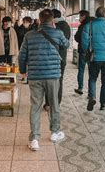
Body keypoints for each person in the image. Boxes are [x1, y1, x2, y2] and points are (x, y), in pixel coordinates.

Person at [19, 9, 70, 151]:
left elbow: (22, 56)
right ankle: (55, 133)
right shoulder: (58, 33)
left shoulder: (29, 35)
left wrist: (22, 71)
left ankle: (34, 139)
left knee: (35, 106)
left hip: (35, 76)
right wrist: (55, 30)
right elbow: (66, 45)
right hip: (53, 76)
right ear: (52, 20)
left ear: (40, 20)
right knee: (54, 104)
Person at [82, 6, 105, 111]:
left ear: (96, 14)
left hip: (94, 57)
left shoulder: (88, 26)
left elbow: (84, 42)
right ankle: (103, 104)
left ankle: (92, 97)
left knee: (93, 78)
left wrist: (89, 52)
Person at [43, 9, 70, 108]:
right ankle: (57, 102)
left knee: (48, 79)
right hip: (62, 57)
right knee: (59, 79)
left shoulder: (49, 26)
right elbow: (66, 43)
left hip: (49, 57)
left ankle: (48, 103)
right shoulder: (66, 25)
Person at [74, 10, 91, 95]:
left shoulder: (83, 26)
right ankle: (91, 92)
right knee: (92, 71)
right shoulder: (94, 24)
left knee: (81, 70)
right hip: (93, 52)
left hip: (83, 51)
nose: (79, 18)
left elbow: (77, 37)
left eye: (80, 16)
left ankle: (80, 88)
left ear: (84, 16)